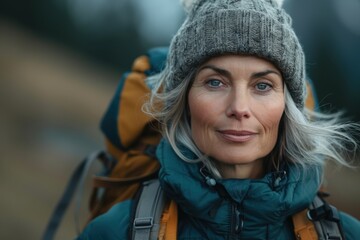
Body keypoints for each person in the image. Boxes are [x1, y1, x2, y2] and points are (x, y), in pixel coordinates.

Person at [78, 0, 360, 239]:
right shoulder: (113, 232)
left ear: (287, 107)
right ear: (184, 100)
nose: (239, 107)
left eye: (262, 86)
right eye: (215, 83)